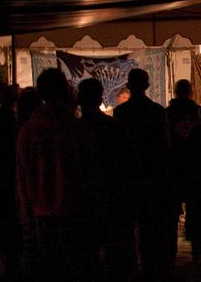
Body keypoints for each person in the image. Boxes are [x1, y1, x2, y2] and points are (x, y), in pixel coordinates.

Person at [16, 68, 97, 282]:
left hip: (42, 212)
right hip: (74, 210)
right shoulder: (76, 128)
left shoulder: (28, 131)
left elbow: (23, 177)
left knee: (50, 269)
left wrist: (27, 216)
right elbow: (90, 172)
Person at [114, 68, 172, 281]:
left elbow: (119, 149)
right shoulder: (157, 111)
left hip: (130, 178)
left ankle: (132, 267)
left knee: (129, 227)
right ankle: (153, 268)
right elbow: (165, 146)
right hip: (152, 176)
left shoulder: (121, 113)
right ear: (147, 86)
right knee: (152, 227)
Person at [78, 78, 136, 281]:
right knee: (117, 255)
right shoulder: (113, 126)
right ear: (100, 98)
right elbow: (127, 161)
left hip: (84, 200)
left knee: (88, 255)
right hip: (113, 196)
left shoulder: (74, 130)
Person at [0, 85, 21, 279]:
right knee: (11, 214)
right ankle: (10, 250)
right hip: (8, 174)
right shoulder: (10, 119)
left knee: (4, 213)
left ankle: (5, 247)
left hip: (1, 173)